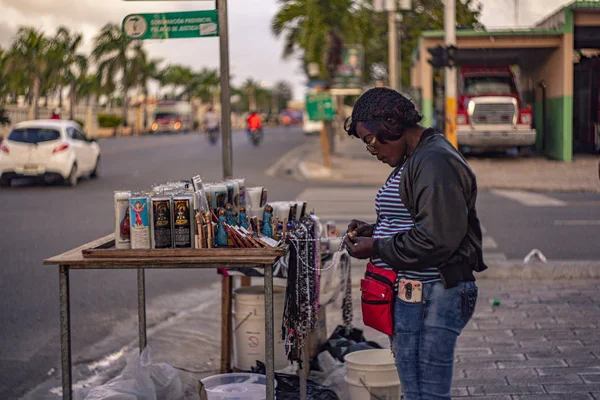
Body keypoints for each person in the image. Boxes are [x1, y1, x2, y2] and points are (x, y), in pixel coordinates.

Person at [342, 87, 486, 400]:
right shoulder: (418, 156)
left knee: (426, 394)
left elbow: (437, 239)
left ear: (390, 125)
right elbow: (415, 219)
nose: (371, 150)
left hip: (435, 293)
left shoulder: (434, 161)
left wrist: (377, 247)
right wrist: (374, 229)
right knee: (415, 391)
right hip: (418, 294)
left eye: (370, 139)